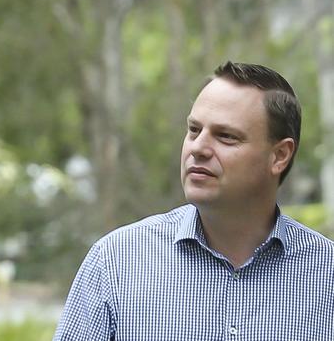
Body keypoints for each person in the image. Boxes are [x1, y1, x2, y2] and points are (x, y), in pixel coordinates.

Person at [53, 62, 334, 340]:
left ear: (280, 156)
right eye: (194, 130)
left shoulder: (327, 274)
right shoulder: (115, 262)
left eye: (226, 136)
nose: (198, 148)